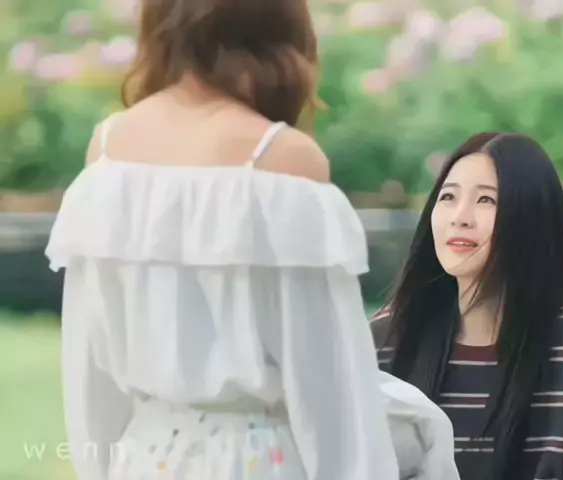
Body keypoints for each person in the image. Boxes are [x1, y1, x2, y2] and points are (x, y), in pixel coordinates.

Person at [45, 0, 458, 478]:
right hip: (258, 459)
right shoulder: (278, 158)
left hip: (144, 457)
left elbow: (90, 374)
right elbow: (329, 390)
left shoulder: (108, 149)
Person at [370, 132, 563, 480]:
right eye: (448, 197)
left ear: (533, 216)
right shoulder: (386, 341)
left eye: (486, 200)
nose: (460, 217)